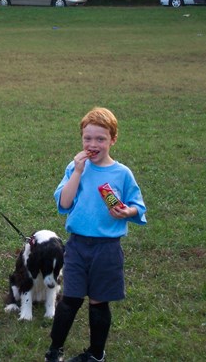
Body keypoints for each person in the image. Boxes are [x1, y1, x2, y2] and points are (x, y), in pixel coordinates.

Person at [45, 107, 147, 362]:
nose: (93, 144)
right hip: (78, 245)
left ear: (112, 140)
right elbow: (65, 204)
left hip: (108, 247)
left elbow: (138, 206)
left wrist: (127, 211)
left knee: (99, 303)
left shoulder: (122, 173)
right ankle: (54, 350)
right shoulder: (75, 168)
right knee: (70, 299)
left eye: (100, 139)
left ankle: (96, 354)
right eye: (87, 138)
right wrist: (78, 172)